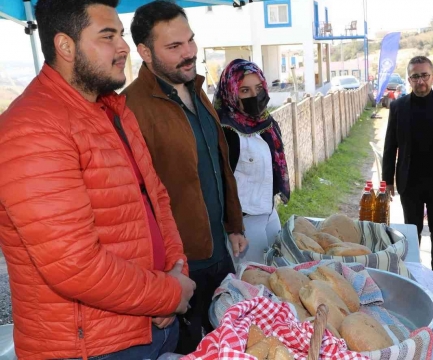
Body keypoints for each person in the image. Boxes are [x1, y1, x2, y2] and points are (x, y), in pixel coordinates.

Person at [0, 0, 196, 358]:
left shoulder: (112, 110)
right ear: (65, 46)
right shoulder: (33, 129)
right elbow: (75, 266)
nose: (123, 47)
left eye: (120, 34)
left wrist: (175, 270)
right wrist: (168, 293)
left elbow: (156, 199)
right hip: (95, 347)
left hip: (151, 323)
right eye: (108, 36)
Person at [123, 2, 247, 354]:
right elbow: (134, 204)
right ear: (145, 52)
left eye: (190, 41)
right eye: (174, 47)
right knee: (195, 349)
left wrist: (233, 223)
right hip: (179, 268)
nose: (189, 52)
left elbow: (217, 161)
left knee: (230, 342)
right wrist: (160, 280)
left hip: (218, 250)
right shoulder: (130, 108)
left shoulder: (195, 88)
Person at [382, 56, 433, 275]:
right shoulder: (399, 107)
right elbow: (390, 145)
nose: (421, 81)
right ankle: (415, 274)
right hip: (410, 181)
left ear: (432, 75)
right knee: (412, 232)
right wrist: (387, 180)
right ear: (409, 79)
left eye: (425, 76)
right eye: (415, 77)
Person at [213, 59, 291, 264]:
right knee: (253, 283)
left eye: (258, 88)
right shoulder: (226, 131)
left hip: (270, 214)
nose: (255, 96)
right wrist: (233, 228)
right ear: (231, 93)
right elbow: (220, 185)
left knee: (277, 274)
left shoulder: (266, 124)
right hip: (245, 225)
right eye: (244, 91)